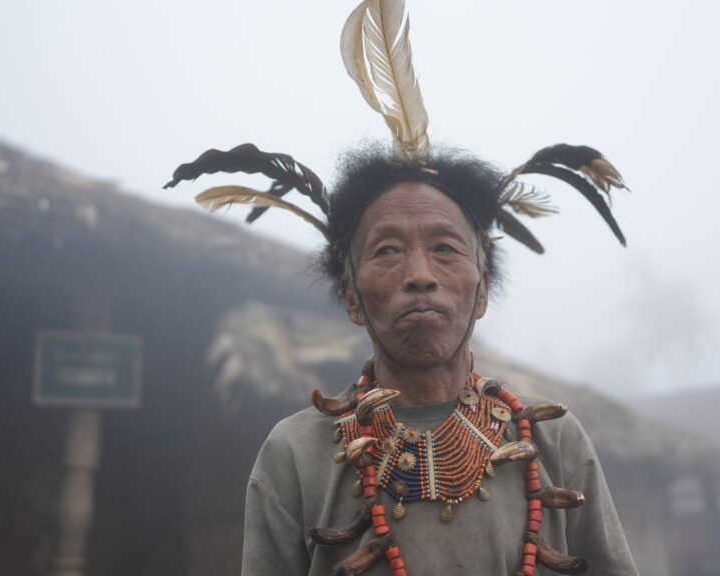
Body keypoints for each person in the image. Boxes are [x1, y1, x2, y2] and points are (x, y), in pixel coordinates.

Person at [163, 2, 638, 574]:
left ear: (482, 291)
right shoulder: (296, 454)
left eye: (445, 248)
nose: (420, 274)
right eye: (387, 250)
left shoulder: (554, 442)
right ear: (351, 295)